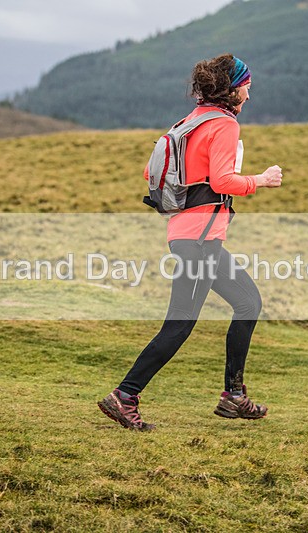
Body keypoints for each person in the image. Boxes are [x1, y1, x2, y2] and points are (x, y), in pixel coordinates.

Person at [98, 54, 283, 431]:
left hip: (190, 234)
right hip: (199, 239)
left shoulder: (189, 121)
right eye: (246, 86)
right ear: (232, 89)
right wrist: (261, 180)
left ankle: (234, 396)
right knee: (179, 325)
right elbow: (223, 182)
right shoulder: (225, 124)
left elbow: (151, 171)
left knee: (248, 302)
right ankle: (125, 396)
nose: (249, 94)